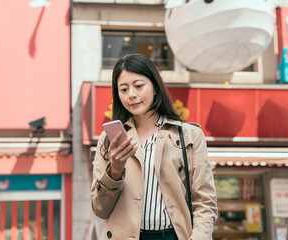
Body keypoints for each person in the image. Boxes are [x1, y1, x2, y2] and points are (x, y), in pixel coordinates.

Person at [91, 53, 217, 240]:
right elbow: (100, 209)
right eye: (123, 89)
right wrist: (114, 171)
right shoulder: (110, 140)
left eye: (139, 86)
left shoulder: (189, 135)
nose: (131, 95)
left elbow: (205, 202)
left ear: (155, 87)